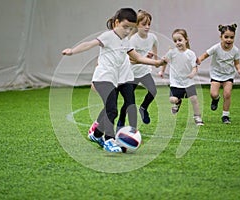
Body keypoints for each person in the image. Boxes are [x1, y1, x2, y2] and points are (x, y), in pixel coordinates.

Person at [62, 8, 166, 153]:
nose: (127, 31)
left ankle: (97, 134)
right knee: (112, 110)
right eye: (125, 27)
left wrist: (157, 63)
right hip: (105, 78)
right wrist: (72, 51)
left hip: (123, 78)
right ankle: (108, 139)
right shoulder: (108, 36)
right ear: (116, 22)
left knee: (130, 105)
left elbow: (138, 58)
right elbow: (89, 44)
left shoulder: (126, 41)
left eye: (130, 29)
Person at [117, 10, 158, 129]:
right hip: (132, 73)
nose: (147, 27)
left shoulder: (152, 38)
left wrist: (155, 59)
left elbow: (155, 49)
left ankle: (143, 108)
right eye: (144, 24)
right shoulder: (132, 40)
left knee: (153, 91)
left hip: (144, 72)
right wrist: (144, 58)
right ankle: (121, 119)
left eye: (149, 24)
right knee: (129, 101)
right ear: (137, 25)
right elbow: (131, 60)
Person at [197, 24, 240, 124]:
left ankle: (225, 116)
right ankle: (216, 99)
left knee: (227, 94)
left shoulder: (235, 50)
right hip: (216, 74)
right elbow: (205, 54)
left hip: (228, 75)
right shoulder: (216, 48)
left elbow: (237, 62)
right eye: (226, 37)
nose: (229, 40)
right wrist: (199, 60)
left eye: (231, 37)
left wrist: (239, 69)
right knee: (213, 94)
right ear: (221, 37)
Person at [159, 29, 204, 125]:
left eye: (180, 40)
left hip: (188, 82)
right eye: (175, 41)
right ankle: (177, 102)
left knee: (194, 99)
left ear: (186, 40)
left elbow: (195, 67)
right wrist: (162, 71)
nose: (177, 43)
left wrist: (192, 73)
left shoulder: (191, 54)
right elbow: (165, 61)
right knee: (172, 99)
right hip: (175, 82)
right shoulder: (172, 53)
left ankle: (197, 117)